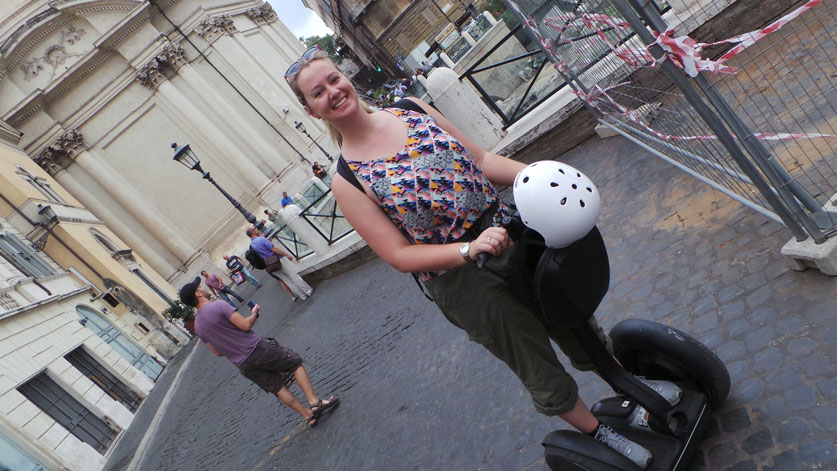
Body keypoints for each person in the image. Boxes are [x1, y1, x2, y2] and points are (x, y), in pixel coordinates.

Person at [284, 47, 683, 469]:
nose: (332, 91)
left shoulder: (410, 108)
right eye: (317, 92)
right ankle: (600, 433)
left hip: (512, 233)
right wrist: (467, 249)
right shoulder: (347, 181)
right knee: (534, 360)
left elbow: (480, 159)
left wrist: (542, 175)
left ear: (346, 79)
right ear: (312, 111)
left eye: (333, 79)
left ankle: (630, 392)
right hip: (463, 280)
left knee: (575, 320)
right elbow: (399, 255)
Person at [178, 277, 338, 427]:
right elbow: (245, 325)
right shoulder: (219, 305)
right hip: (256, 348)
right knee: (295, 363)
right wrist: (254, 313)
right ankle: (314, 402)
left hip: (243, 364)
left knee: (278, 388)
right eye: (200, 287)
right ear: (198, 294)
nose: (203, 288)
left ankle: (307, 415)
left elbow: (217, 352)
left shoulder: (198, 326)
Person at [246, 226, 314, 302]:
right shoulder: (261, 239)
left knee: (287, 280)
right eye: (255, 229)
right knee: (293, 276)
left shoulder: (252, 245)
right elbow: (274, 249)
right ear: (252, 232)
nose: (257, 229)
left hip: (269, 265)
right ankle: (308, 290)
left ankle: (302, 296)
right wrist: (286, 254)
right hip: (278, 259)